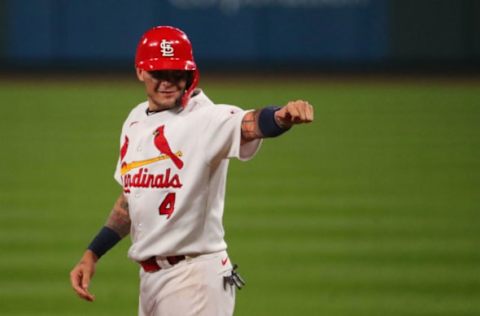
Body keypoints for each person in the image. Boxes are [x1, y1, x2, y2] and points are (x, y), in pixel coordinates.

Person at [70, 25, 314, 316]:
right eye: (158, 73)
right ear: (140, 72)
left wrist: (281, 117)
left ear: (190, 74)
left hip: (195, 279)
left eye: (177, 73)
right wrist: (92, 253)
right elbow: (130, 202)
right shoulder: (134, 121)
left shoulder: (206, 118)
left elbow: (250, 123)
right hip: (151, 281)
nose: (168, 82)